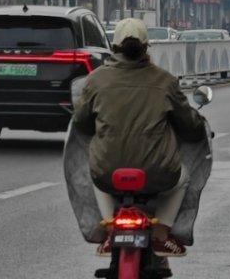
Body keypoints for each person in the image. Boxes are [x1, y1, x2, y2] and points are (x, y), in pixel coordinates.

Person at [73, 18, 208, 258]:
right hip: (158, 174)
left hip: (108, 175)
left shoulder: (96, 80)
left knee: (94, 169)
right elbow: (189, 126)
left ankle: (109, 231)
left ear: (113, 48)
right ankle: (162, 233)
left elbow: (81, 123)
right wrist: (199, 126)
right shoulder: (165, 81)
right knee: (183, 176)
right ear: (146, 48)